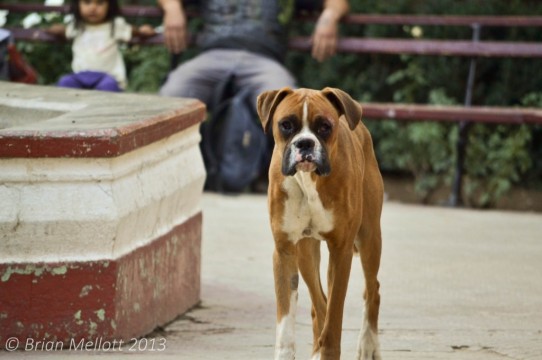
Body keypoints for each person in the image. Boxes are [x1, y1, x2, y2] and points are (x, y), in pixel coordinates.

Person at [158, 0, 349, 191]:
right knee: (171, 96)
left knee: (290, 108)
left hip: (263, 60)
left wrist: (329, 16)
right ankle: (164, 178)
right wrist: (172, 8)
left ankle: (293, 185)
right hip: (213, 55)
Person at [47, 0, 156, 91]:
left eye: (100, 3)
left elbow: (133, 31)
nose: (93, 8)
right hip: (80, 76)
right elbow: (63, 31)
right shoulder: (77, 26)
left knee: (108, 87)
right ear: (77, 5)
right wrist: (55, 29)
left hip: (107, 77)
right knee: (64, 82)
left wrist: (142, 31)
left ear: (110, 6)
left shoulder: (115, 24)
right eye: (87, 2)